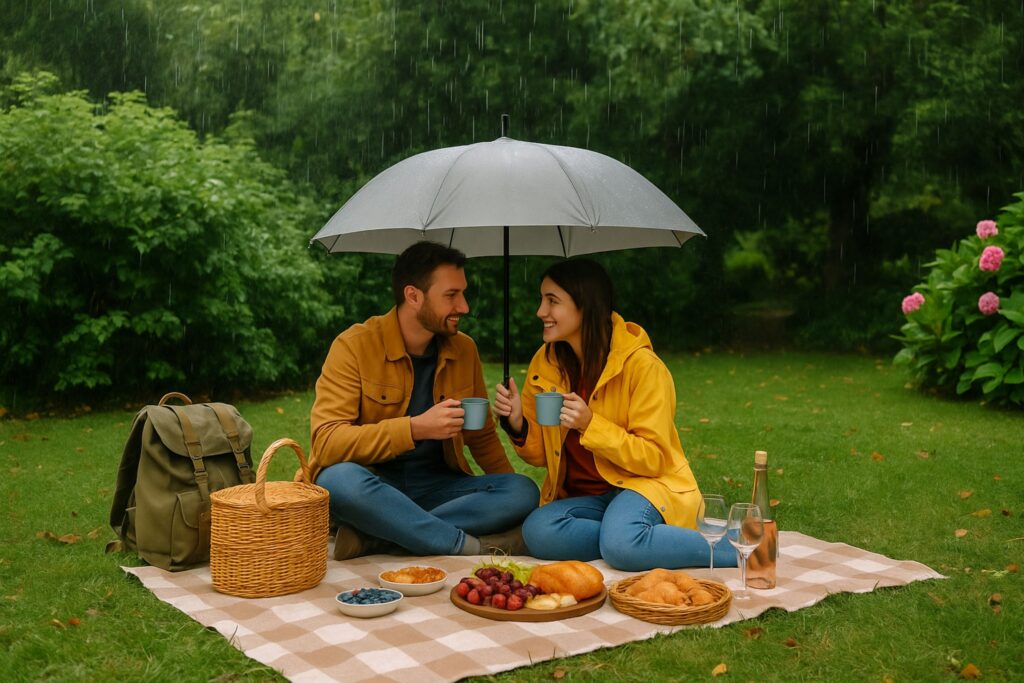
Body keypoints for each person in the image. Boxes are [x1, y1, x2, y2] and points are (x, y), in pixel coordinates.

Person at [493, 258, 737, 571]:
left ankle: (736, 547)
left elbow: (653, 457)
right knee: (538, 531)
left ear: (586, 306)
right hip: (588, 499)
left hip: (643, 486)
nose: (541, 311)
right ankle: (640, 538)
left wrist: (590, 425)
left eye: (552, 301)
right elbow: (542, 455)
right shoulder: (547, 362)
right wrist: (517, 424)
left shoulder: (643, 367)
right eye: (542, 300)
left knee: (621, 544)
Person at [306, 241, 539, 560]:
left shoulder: (464, 349)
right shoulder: (354, 346)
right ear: (413, 296)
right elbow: (327, 443)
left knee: (522, 491)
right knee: (336, 479)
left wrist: (517, 503)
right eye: (451, 295)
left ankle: (379, 536)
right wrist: (415, 429)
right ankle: (462, 544)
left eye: (463, 293)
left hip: (440, 489)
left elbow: (482, 437)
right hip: (373, 487)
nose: (464, 306)